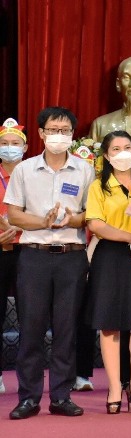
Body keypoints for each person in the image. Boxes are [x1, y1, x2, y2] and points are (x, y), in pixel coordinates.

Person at [4, 107, 95, 419]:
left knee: (67, 329)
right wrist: (42, 221)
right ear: (41, 133)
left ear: (72, 134)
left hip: (72, 256)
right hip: (34, 256)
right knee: (31, 328)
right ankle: (28, 398)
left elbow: (92, 215)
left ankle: (61, 396)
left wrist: (74, 219)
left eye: (65, 130)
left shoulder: (84, 170)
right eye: (53, 130)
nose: (59, 136)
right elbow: (14, 215)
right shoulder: (24, 170)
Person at [84, 131, 131, 414]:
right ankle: (115, 387)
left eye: (127, 147)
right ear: (106, 155)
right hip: (110, 256)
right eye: (115, 149)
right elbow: (96, 224)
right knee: (110, 325)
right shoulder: (99, 187)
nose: (123, 153)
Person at [0, 118, 27, 395]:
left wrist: (20, 226)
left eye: (15, 143)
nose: (9, 148)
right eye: (4, 143)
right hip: (1, 250)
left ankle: (28, 376)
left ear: (25, 147)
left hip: (27, 251)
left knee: (29, 316)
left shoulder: (32, 174)